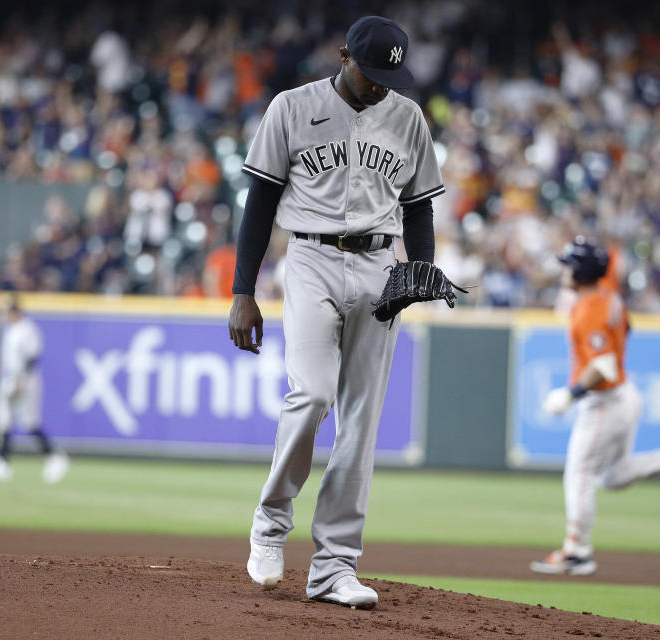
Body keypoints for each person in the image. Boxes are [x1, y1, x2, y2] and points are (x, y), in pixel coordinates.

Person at [228, 16, 444, 609]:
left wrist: (418, 269)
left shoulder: (407, 117)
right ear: (343, 55)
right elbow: (261, 202)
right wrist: (242, 290)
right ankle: (271, 524)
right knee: (314, 394)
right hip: (311, 259)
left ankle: (334, 567)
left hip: (379, 267)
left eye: (388, 76)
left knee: (362, 421)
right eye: (369, 72)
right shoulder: (291, 108)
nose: (379, 85)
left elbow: (420, 205)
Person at [530, 237, 660, 577]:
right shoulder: (607, 296)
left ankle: (576, 551)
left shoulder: (590, 308)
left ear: (580, 270)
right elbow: (625, 330)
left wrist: (570, 394)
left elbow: (604, 366)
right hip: (625, 396)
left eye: (568, 264)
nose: (563, 270)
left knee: (579, 475)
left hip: (605, 402)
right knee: (613, 477)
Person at [0, 299, 69, 484]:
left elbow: (32, 357)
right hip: (9, 378)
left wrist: (21, 379)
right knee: (3, 420)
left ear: (16, 312)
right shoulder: (12, 330)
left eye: (9, 312)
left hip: (24, 380)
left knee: (29, 422)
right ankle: (2, 463)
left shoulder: (27, 329)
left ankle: (55, 456)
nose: (7, 316)